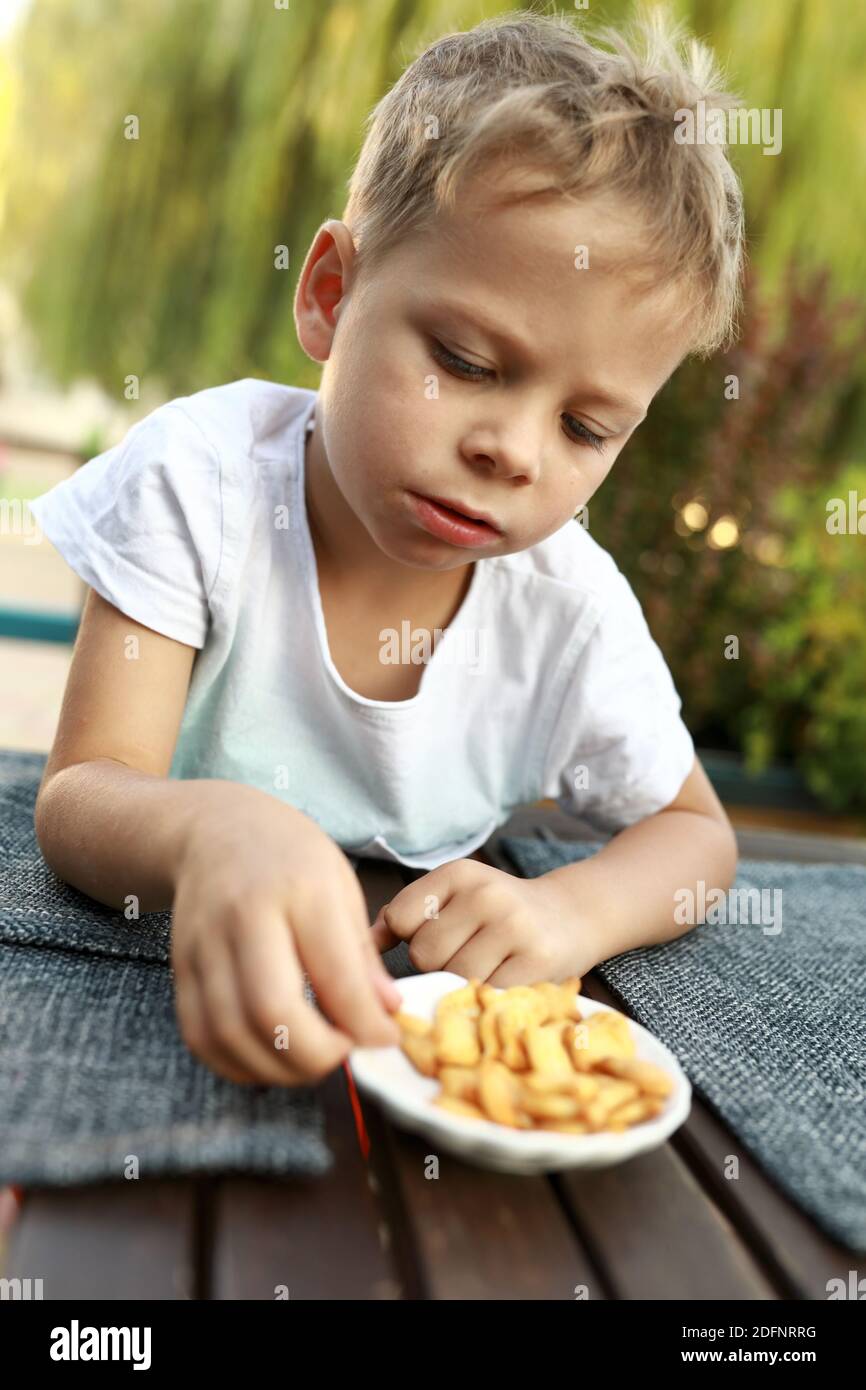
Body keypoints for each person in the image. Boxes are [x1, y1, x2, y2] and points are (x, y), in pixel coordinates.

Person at [28, 9, 743, 1088]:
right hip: (139, 1008)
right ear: (330, 292)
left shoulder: (566, 611)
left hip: (404, 1049)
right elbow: (83, 789)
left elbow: (695, 837)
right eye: (463, 360)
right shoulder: (198, 482)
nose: (511, 450)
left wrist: (568, 911)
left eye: (585, 428)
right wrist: (203, 831)